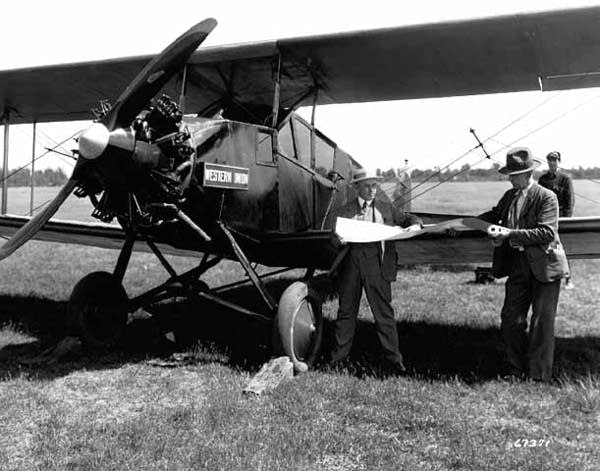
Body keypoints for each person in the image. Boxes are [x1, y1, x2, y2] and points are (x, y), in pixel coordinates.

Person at [479, 147, 568, 382]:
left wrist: (509, 234)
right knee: (511, 319)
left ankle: (538, 376)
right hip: (519, 264)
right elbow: (494, 214)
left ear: (528, 173)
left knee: (541, 323)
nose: (509, 178)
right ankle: (514, 369)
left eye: (513, 174)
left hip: (545, 267)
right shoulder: (510, 196)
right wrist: (464, 224)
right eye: (508, 174)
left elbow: (547, 232)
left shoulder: (547, 197)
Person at [330, 168, 422, 374]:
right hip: (350, 268)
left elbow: (409, 219)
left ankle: (394, 362)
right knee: (346, 313)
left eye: (374, 185)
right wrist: (338, 239)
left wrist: (415, 225)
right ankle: (338, 360)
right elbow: (332, 239)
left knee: (384, 314)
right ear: (356, 188)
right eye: (367, 186)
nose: (372, 190)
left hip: (378, 267)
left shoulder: (386, 208)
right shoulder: (344, 211)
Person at [538, 150, 575, 288]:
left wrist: (567, 219)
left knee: (562, 248)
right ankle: (548, 276)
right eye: (549, 160)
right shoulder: (543, 179)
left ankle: (568, 279)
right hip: (546, 218)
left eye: (554, 160)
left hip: (562, 219)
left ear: (559, 161)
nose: (552, 162)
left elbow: (570, 200)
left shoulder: (565, 178)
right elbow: (539, 198)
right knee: (545, 248)